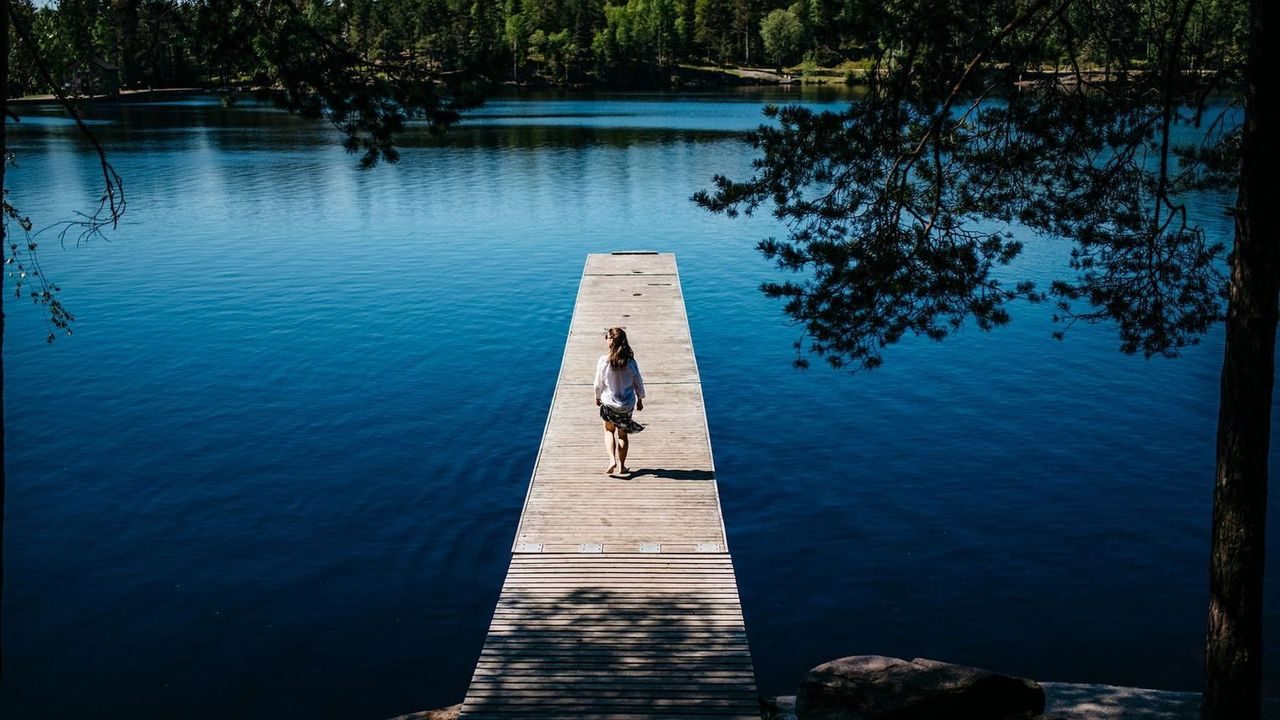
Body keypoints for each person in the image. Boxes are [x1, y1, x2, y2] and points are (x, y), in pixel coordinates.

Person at [594, 327, 646, 477]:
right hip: (626, 405)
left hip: (609, 403)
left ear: (610, 341)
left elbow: (598, 383)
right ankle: (622, 466)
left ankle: (612, 460)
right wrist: (640, 399)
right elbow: (638, 382)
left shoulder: (604, 361)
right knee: (622, 435)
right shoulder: (630, 362)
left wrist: (597, 396)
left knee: (609, 430)